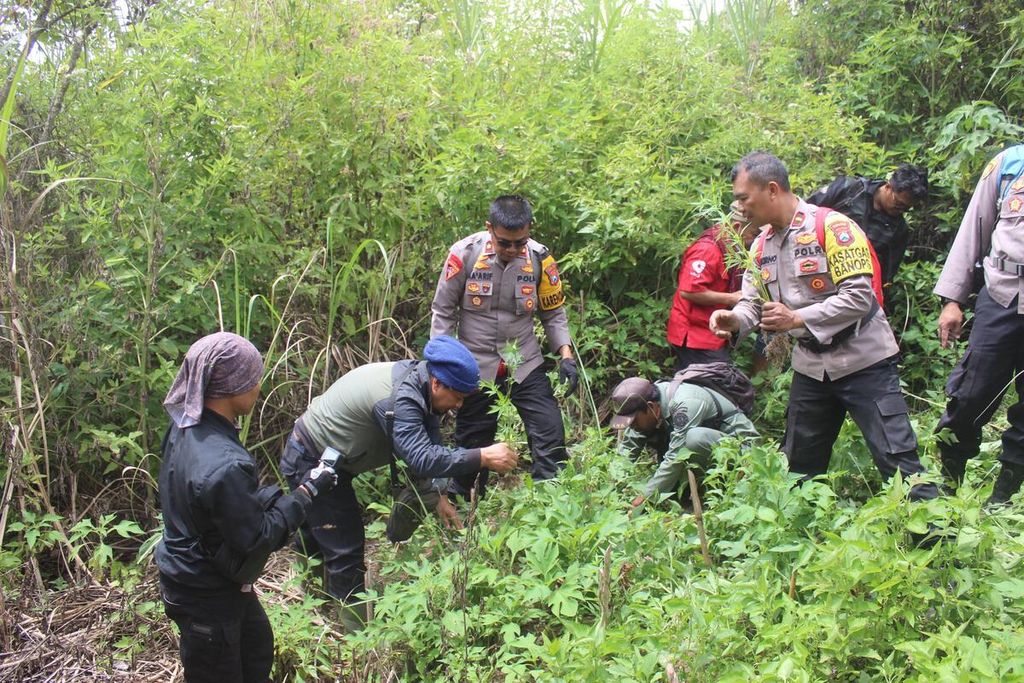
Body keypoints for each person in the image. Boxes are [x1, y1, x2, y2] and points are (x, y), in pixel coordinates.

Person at [710, 151, 938, 502]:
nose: (738, 207)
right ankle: (801, 544)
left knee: (898, 461)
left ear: (771, 189)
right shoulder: (759, 245)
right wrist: (735, 319)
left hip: (866, 362)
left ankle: (936, 545)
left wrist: (798, 318)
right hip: (812, 368)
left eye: (743, 197)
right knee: (800, 465)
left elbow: (860, 297)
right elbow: (753, 304)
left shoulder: (835, 228)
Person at [279, 335, 518, 629]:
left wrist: (438, 497)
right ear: (437, 383)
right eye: (457, 396)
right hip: (311, 459)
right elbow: (421, 458)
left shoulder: (420, 386)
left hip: (327, 456)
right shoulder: (403, 400)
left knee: (318, 534)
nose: (458, 405)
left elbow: (425, 447)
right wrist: (481, 456)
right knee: (344, 547)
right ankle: (351, 634)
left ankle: (309, 602)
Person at [156, 332, 337, 683]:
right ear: (231, 386)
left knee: (256, 647)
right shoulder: (225, 464)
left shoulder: (184, 426)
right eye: (253, 378)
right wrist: (306, 492)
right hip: (204, 591)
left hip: (198, 577)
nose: (258, 386)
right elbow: (258, 537)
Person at [431, 194, 577, 494]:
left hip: (524, 361)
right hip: (475, 366)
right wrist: (440, 364)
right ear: (489, 229)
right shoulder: (464, 254)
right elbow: (443, 311)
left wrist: (566, 356)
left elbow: (553, 313)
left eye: (519, 242)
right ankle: (465, 510)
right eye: (504, 242)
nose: (512, 249)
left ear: (529, 230)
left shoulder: (540, 259)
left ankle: (553, 503)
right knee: (473, 441)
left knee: (550, 430)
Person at [934, 144, 1024, 506]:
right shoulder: (1008, 164)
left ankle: (1003, 496)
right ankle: (949, 483)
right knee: (971, 393)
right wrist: (953, 300)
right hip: (1001, 294)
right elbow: (974, 228)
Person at [610, 373, 758, 509]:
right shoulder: (645, 404)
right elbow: (626, 453)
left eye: (634, 421)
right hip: (710, 451)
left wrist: (646, 497)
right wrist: (611, 490)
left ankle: (716, 491)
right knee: (657, 434)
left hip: (746, 452)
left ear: (651, 407)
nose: (632, 426)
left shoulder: (685, 404)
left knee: (693, 438)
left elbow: (676, 457)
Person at [666, 202, 763, 371]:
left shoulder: (732, 246)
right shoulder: (707, 249)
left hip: (713, 332)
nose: (756, 240)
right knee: (714, 384)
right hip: (695, 335)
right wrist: (733, 298)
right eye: (754, 234)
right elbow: (688, 291)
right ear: (736, 227)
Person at [808, 163, 929, 289]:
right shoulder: (849, 189)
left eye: (906, 208)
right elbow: (806, 213)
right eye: (899, 203)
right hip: (812, 263)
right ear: (888, 186)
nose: (901, 210)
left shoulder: (898, 230)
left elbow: (885, 276)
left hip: (850, 286)